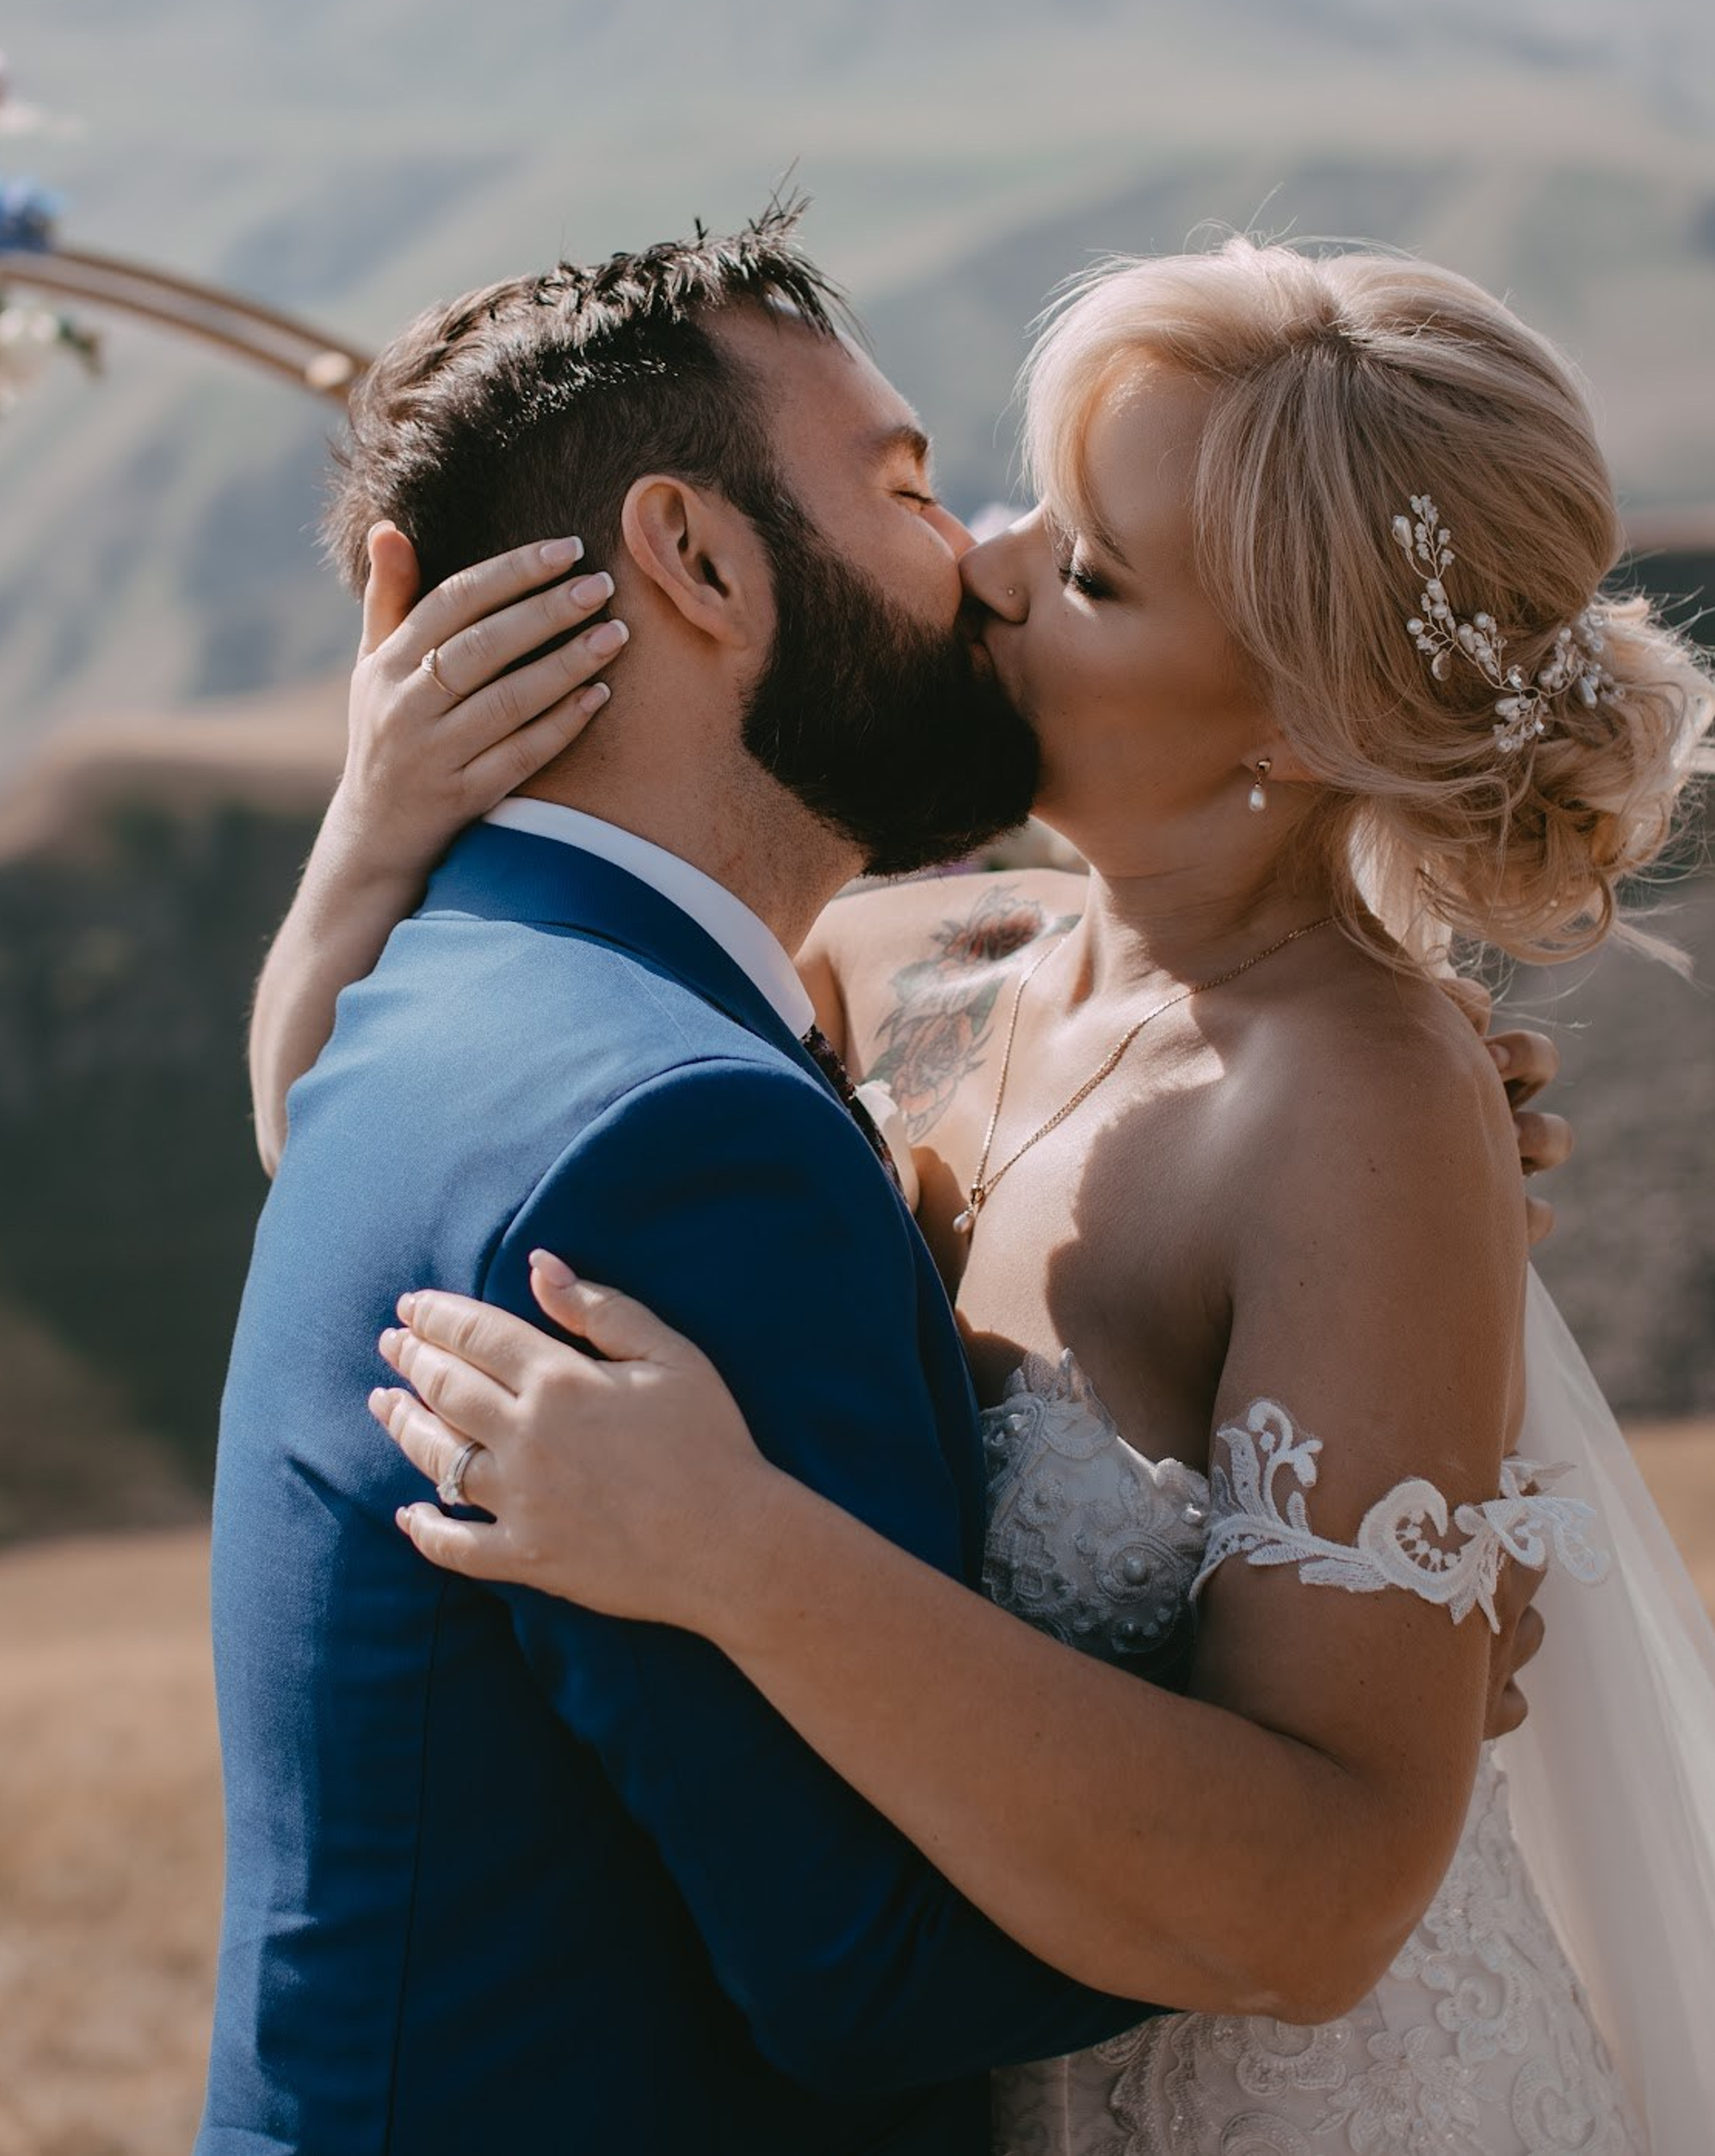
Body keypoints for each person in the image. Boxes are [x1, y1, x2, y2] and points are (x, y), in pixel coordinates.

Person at [241, 219, 1703, 2154]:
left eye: (1089, 571)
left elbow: (1336, 1889)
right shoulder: (918, 966)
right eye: (1019, 503)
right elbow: (415, 1143)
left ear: (1292, 706)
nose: (989, 566)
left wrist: (737, 1552)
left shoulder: (1358, 1110)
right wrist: (377, 826)